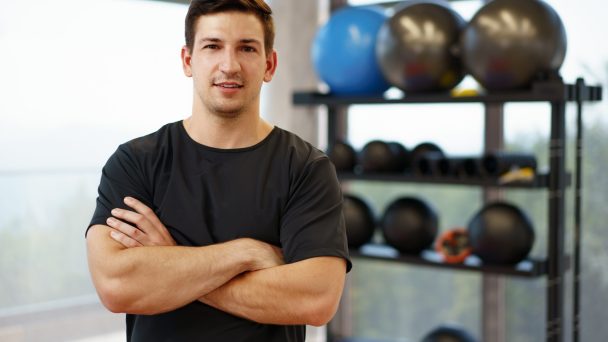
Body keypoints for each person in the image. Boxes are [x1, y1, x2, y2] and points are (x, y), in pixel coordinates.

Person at [85, 0, 351, 341]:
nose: (229, 65)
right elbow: (116, 285)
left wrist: (169, 264)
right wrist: (246, 253)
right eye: (213, 46)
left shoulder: (305, 169)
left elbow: (316, 299)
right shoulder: (136, 162)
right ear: (188, 60)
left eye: (247, 48)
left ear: (269, 64)